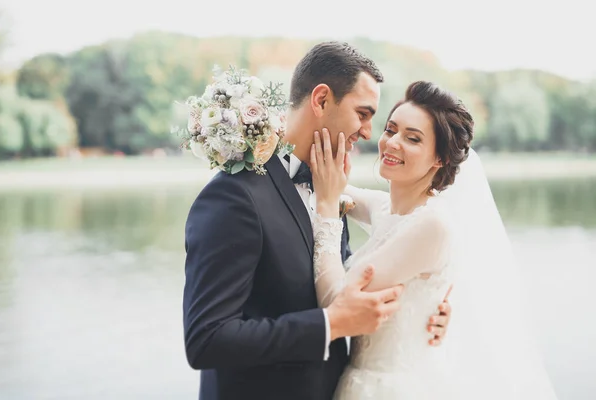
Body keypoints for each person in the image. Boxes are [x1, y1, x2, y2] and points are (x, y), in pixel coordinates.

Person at [182, 42, 452, 400]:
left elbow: (355, 283)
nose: (370, 133)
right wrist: (331, 323)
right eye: (363, 113)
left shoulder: (332, 188)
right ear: (322, 100)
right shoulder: (235, 197)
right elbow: (207, 340)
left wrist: (422, 315)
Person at [310, 80, 559, 399]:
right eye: (391, 129)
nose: (392, 143)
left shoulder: (433, 225)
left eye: (412, 138)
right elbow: (332, 187)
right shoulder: (390, 208)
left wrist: (328, 213)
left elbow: (335, 302)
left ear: (439, 158)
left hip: (387, 388)